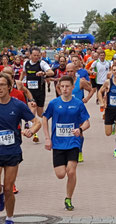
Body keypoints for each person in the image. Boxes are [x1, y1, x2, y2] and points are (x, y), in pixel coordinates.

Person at [0, 73, 41, 224]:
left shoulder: (18, 105)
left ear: (9, 87)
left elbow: (37, 122)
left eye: (2, 85)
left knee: (10, 189)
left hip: (12, 152)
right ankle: (0, 192)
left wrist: (31, 131)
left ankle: (9, 218)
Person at [42, 75, 90, 211]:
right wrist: (47, 138)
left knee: (71, 171)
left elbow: (87, 122)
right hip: (58, 143)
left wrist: (80, 129)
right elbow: (44, 119)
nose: (64, 89)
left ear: (72, 87)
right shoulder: (54, 103)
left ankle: (68, 198)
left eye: (67, 86)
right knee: (60, 174)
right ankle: (67, 194)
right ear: (58, 88)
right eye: (62, 87)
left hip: (73, 142)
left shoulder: (78, 103)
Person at [20, 47, 54, 143]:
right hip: (29, 92)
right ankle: (34, 133)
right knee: (32, 111)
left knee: (40, 113)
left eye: (38, 55)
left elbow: (51, 72)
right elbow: (23, 73)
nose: (36, 57)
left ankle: (47, 118)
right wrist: (20, 81)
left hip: (40, 91)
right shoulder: (25, 64)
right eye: (34, 55)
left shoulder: (42, 63)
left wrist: (43, 73)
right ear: (30, 55)